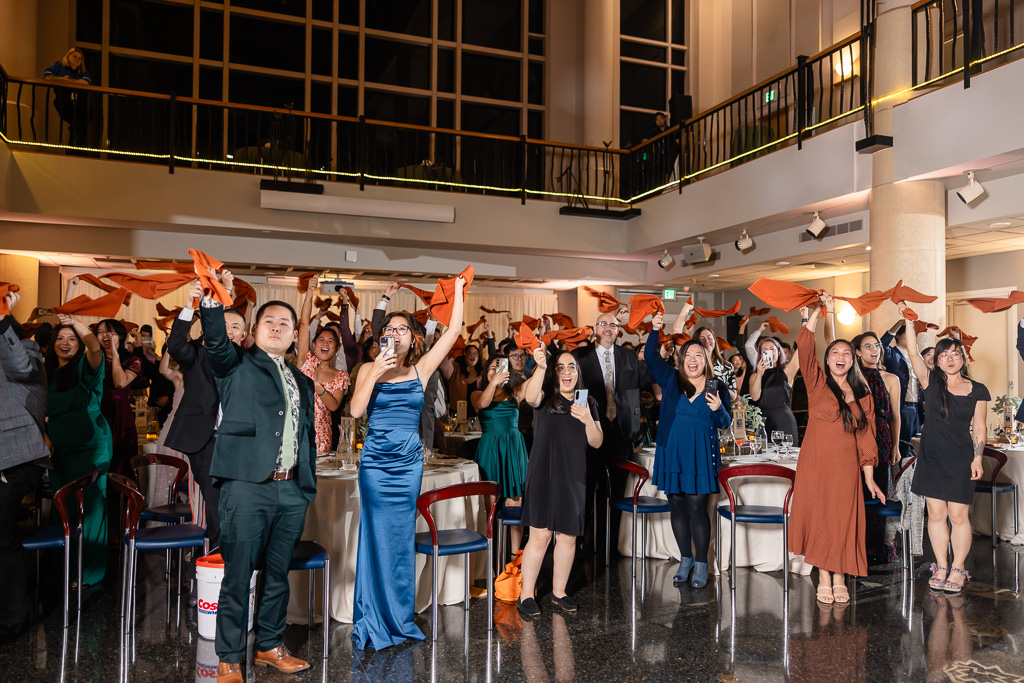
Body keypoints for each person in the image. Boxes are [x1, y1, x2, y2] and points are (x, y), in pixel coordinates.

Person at [196, 278, 317, 682]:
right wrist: (212, 304)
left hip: (292, 488)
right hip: (247, 485)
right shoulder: (236, 364)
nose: (278, 327)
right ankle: (229, 658)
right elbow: (216, 343)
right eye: (270, 321)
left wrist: (305, 485)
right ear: (254, 329)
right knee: (238, 574)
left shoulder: (303, 380)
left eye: (285, 323)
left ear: (295, 334)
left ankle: (268, 645)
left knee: (278, 574)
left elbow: (305, 434)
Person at [348, 276, 467, 650]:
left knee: (399, 542)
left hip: (407, 466)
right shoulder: (368, 369)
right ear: (381, 336)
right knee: (375, 536)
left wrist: (458, 291)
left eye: (401, 329)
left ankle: (399, 617)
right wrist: (376, 370)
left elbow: (454, 331)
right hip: (375, 465)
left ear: (414, 338)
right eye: (389, 329)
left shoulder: (421, 369)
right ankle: (373, 615)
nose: (394, 333)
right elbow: (356, 410)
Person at [788, 295, 885, 605]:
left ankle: (840, 576)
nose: (840, 356)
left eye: (846, 353)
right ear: (827, 360)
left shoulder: (863, 393)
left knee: (842, 519)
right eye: (834, 352)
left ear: (852, 361)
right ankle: (825, 577)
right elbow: (805, 347)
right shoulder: (816, 383)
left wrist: (869, 477)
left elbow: (866, 437)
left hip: (846, 466)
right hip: (815, 463)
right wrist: (817, 312)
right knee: (820, 518)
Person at [898, 303, 988, 593]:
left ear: (964, 357)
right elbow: (913, 354)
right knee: (935, 514)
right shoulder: (930, 382)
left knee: (958, 516)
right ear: (936, 361)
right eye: (944, 355)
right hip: (931, 458)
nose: (950, 359)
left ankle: (958, 568)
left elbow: (980, 427)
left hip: (961, 458)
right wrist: (909, 322)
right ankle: (940, 565)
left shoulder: (978, 389)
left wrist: (978, 459)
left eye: (955, 354)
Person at [646, 312, 731, 587]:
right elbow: (650, 358)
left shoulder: (717, 387)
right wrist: (655, 330)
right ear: (681, 360)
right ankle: (686, 559)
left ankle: (702, 563)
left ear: (706, 359)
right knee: (677, 507)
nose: (692, 360)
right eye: (688, 356)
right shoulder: (672, 380)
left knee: (697, 509)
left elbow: (725, 423)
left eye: (698, 355)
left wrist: (719, 409)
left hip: (700, 455)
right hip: (672, 452)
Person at [518, 345, 603, 617]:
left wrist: (588, 420)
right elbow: (530, 397)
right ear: (554, 374)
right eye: (561, 368)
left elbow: (597, 441)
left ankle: (559, 592)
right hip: (543, 474)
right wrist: (541, 366)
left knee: (567, 537)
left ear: (578, 373)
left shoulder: (587, 403)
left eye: (572, 367)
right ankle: (526, 594)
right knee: (540, 536)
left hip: (573, 476)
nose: (567, 373)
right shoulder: (545, 397)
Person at [164, 286, 246, 561]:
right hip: (206, 438)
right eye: (224, 324)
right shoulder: (197, 354)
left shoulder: (249, 362)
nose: (229, 330)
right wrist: (191, 305)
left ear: (243, 335)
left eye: (235, 327)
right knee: (217, 501)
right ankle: (217, 562)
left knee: (227, 505)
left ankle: (217, 560)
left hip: (238, 442)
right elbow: (176, 345)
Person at [45, 314, 111, 586]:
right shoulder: (45, 373)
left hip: (91, 448)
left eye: (72, 339)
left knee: (91, 507)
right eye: (60, 338)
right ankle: (62, 568)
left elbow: (95, 348)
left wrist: (76, 323)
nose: (65, 343)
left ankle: (90, 571)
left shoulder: (86, 367)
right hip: (59, 449)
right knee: (63, 505)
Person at [0, 291, 50, 639]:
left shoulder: (27, 349)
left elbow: (19, 367)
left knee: (1, 536)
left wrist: (2, 317)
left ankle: (12, 618)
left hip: (16, 457)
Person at [573, 310, 642, 558]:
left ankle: (609, 548)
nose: (608, 329)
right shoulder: (579, 357)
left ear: (618, 330)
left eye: (612, 325)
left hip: (621, 434)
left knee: (614, 494)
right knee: (584, 492)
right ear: (595, 329)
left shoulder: (628, 356)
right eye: (603, 324)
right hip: (589, 433)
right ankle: (577, 547)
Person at [471, 354, 530, 556]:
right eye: (492, 368)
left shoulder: (515, 392)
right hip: (490, 449)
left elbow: (533, 385)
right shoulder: (477, 393)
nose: (495, 371)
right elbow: (483, 404)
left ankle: (515, 557)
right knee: (489, 506)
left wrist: (540, 363)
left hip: (513, 447)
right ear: (486, 372)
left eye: (500, 367)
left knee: (515, 501)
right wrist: (494, 382)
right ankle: (490, 557)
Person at [851, 331, 902, 561]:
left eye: (877, 346)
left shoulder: (891, 379)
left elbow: (896, 417)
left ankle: (875, 547)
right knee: (855, 492)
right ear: (857, 351)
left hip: (881, 438)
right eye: (868, 346)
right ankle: (854, 545)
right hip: (854, 437)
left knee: (877, 491)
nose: (875, 350)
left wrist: (895, 446)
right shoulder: (852, 376)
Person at [296, 276, 351, 454]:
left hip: (322, 433)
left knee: (319, 471)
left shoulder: (341, 376)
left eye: (330, 341)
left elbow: (334, 406)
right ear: (314, 345)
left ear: (336, 348)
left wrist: (317, 386)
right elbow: (304, 325)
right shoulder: (306, 361)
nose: (325, 343)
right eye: (321, 340)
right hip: (296, 427)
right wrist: (309, 293)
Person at [95, 319, 141, 475]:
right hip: (97, 412)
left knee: (120, 462)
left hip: (120, 415)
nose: (104, 335)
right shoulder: (94, 359)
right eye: (100, 332)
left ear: (120, 336)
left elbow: (120, 383)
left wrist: (114, 353)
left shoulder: (132, 360)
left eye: (109, 332)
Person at [746, 321, 801, 445]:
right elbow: (755, 397)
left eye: (772, 349)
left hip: (784, 420)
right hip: (763, 422)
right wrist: (759, 374)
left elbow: (802, 349)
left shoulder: (787, 371)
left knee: (787, 454)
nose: (769, 352)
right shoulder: (754, 376)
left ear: (779, 352)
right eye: (765, 350)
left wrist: (805, 320)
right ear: (760, 354)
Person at [882, 321, 924, 439]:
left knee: (916, 444)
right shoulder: (891, 354)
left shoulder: (917, 357)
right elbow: (881, 344)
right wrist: (898, 324)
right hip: (901, 406)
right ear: (898, 336)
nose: (912, 337)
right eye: (907, 333)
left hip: (916, 408)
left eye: (914, 335)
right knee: (902, 442)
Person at [43, 48, 92, 147]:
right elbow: (47, 77)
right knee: (75, 121)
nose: (77, 59)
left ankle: (75, 147)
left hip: (79, 101)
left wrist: (68, 80)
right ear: (68, 56)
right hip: (63, 99)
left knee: (86, 118)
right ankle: (77, 147)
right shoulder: (59, 66)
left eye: (80, 58)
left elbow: (86, 82)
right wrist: (62, 79)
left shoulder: (83, 71)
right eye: (75, 56)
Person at [695, 326, 736, 400]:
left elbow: (734, 396)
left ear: (714, 340)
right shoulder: (691, 365)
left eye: (709, 338)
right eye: (701, 339)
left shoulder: (727, 366)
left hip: (720, 405)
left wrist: (720, 387)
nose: (706, 341)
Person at [449, 343, 484, 417]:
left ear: (478, 356)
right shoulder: (456, 368)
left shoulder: (483, 373)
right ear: (465, 355)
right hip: (457, 413)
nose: (472, 356)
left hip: (476, 414)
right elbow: (444, 365)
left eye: (475, 353)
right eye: (469, 353)